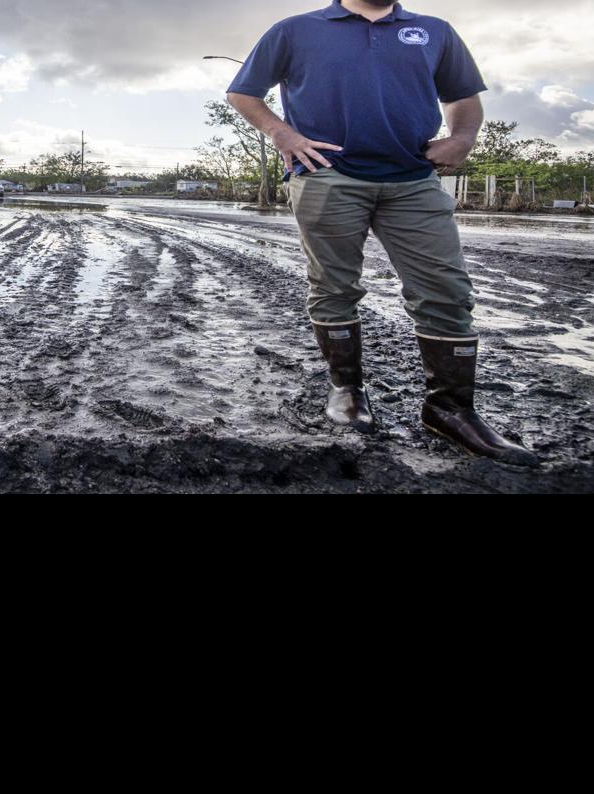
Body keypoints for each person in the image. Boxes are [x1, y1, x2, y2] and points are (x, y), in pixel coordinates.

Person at [226, 0, 536, 465]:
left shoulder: (434, 30)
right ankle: (346, 390)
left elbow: (462, 98)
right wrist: (283, 135)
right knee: (334, 286)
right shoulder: (295, 30)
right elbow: (243, 92)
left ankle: (450, 409)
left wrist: (461, 139)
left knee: (446, 290)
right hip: (328, 175)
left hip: (413, 177)